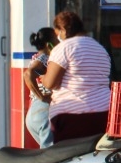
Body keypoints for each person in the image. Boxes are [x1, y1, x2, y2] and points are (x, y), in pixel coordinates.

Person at [41, 10, 112, 142]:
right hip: (104, 112)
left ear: (63, 30)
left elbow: (50, 83)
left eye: (58, 33)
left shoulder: (64, 48)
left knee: (66, 158)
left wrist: (43, 79)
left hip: (73, 116)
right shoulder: (99, 48)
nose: (58, 37)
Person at [22, 27, 57, 147]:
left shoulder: (37, 56)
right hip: (44, 111)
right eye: (56, 38)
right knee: (50, 157)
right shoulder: (45, 57)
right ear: (49, 44)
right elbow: (28, 74)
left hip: (35, 113)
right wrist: (42, 97)